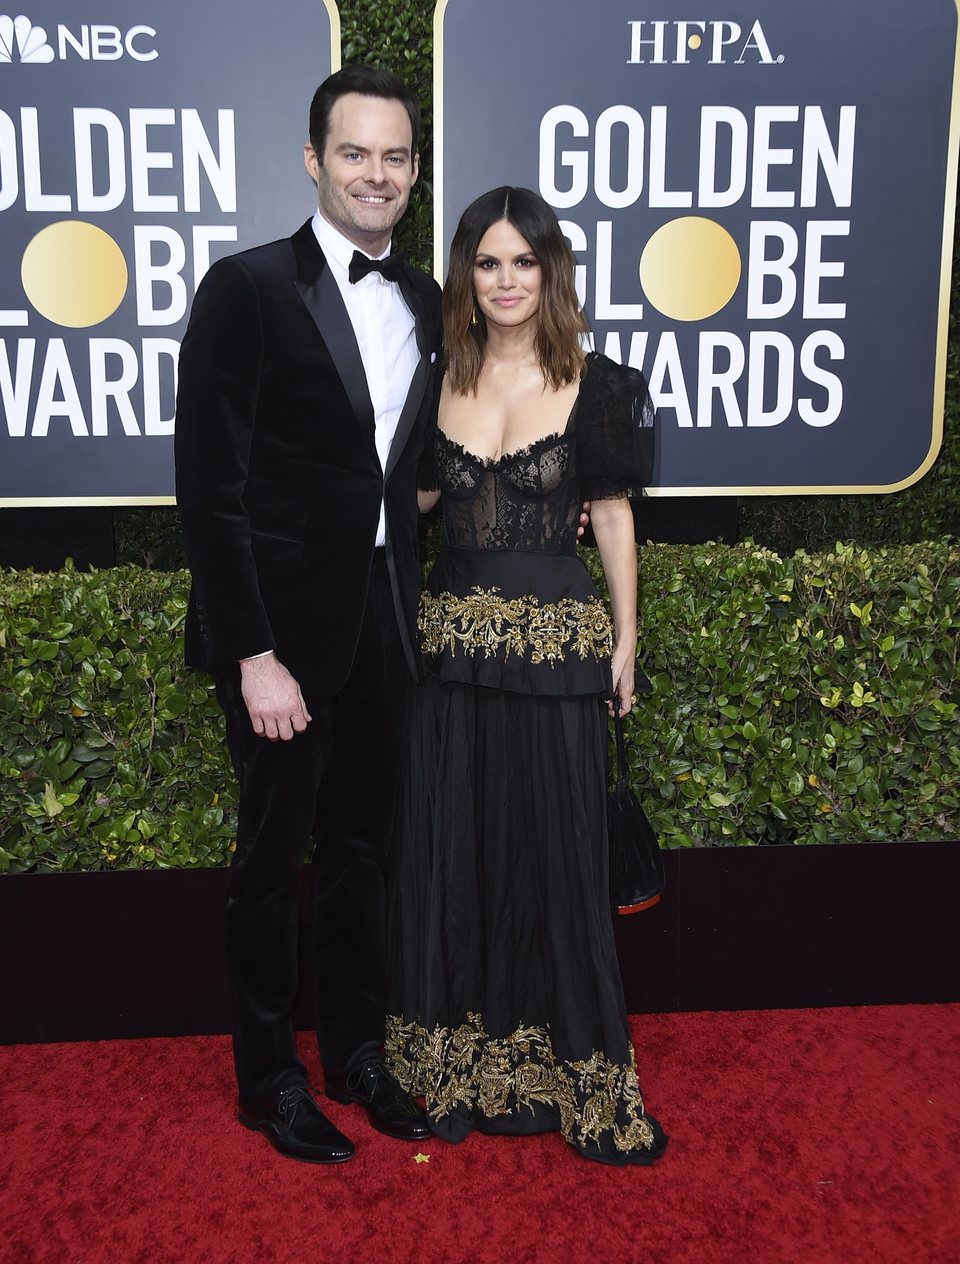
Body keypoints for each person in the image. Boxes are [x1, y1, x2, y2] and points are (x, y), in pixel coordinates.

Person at [174, 66, 443, 1164]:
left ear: (413, 173)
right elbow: (210, 488)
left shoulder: (426, 299)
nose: (374, 173)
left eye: (394, 157)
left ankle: (358, 1054)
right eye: (354, 153)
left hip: (387, 623)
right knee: (271, 859)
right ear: (312, 159)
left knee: (365, 852)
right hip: (281, 640)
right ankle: (269, 1079)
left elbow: (408, 471)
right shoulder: (246, 289)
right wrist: (253, 653)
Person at [385, 187, 668, 1165]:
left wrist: (625, 642)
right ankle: (468, 1064)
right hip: (452, 662)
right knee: (460, 856)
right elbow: (409, 499)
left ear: (550, 273)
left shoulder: (596, 383)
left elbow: (616, 515)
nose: (505, 281)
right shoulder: (438, 379)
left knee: (552, 860)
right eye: (487, 263)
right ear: (466, 273)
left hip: (555, 659)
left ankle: (574, 1071)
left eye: (523, 263)